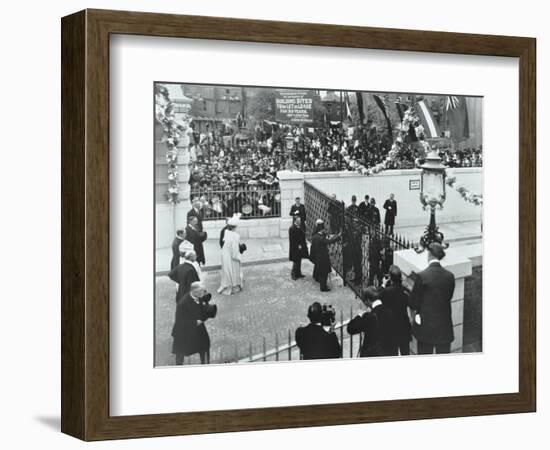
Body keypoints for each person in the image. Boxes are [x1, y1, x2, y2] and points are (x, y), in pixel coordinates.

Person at [408, 242, 456, 354]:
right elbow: (448, 297)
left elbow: (413, 303)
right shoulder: (450, 276)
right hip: (444, 328)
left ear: (429, 254)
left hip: (426, 328)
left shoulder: (422, 276)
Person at [347, 286, 397, 357]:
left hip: (372, 354)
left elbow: (350, 329)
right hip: (389, 353)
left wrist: (359, 315)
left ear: (368, 300)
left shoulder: (368, 317)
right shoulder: (390, 312)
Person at [171, 282, 211, 365]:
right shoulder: (182, 303)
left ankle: (206, 365)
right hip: (183, 332)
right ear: (194, 291)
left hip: (197, 329)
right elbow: (179, 322)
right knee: (180, 352)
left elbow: (201, 311)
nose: (204, 293)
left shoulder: (198, 297)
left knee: (205, 345)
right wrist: (195, 322)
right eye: (202, 291)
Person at [381, 265, 412, 355]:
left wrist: (383, 285)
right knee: (405, 353)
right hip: (404, 327)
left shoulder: (386, 292)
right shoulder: (405, 291)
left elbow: (377, 296)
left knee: (392, 354)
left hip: (391, 328)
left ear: (390, 277)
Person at [309, 219, 341, 292]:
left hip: (316, 256)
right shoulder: (321, 239)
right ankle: (323, 287)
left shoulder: (315, 237)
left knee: (318, 269)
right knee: (324, 272)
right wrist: (338, 237)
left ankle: (316, 277)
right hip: (323, 257)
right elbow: (330, 241)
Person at [217, 214, 244, 295]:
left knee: (227, 271)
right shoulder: (235, 236)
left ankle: (227, 286)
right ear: (235, 227)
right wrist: (239, 257)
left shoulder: (226, 232)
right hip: (232, 257)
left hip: (225, 255)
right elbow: (235, 251)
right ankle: (234, 287)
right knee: (233, 271)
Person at [288, 215, 308, 280]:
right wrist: (298, 245)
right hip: (295, 248)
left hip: (300, 247)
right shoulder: (292, 228)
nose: (300, 221)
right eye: (298, 220)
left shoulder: (300, 227)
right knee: (296, 261)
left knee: (299, 260)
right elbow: (292, 239)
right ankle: (293, 273)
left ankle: (298, 273)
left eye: (300, 220)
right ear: (295, 221)